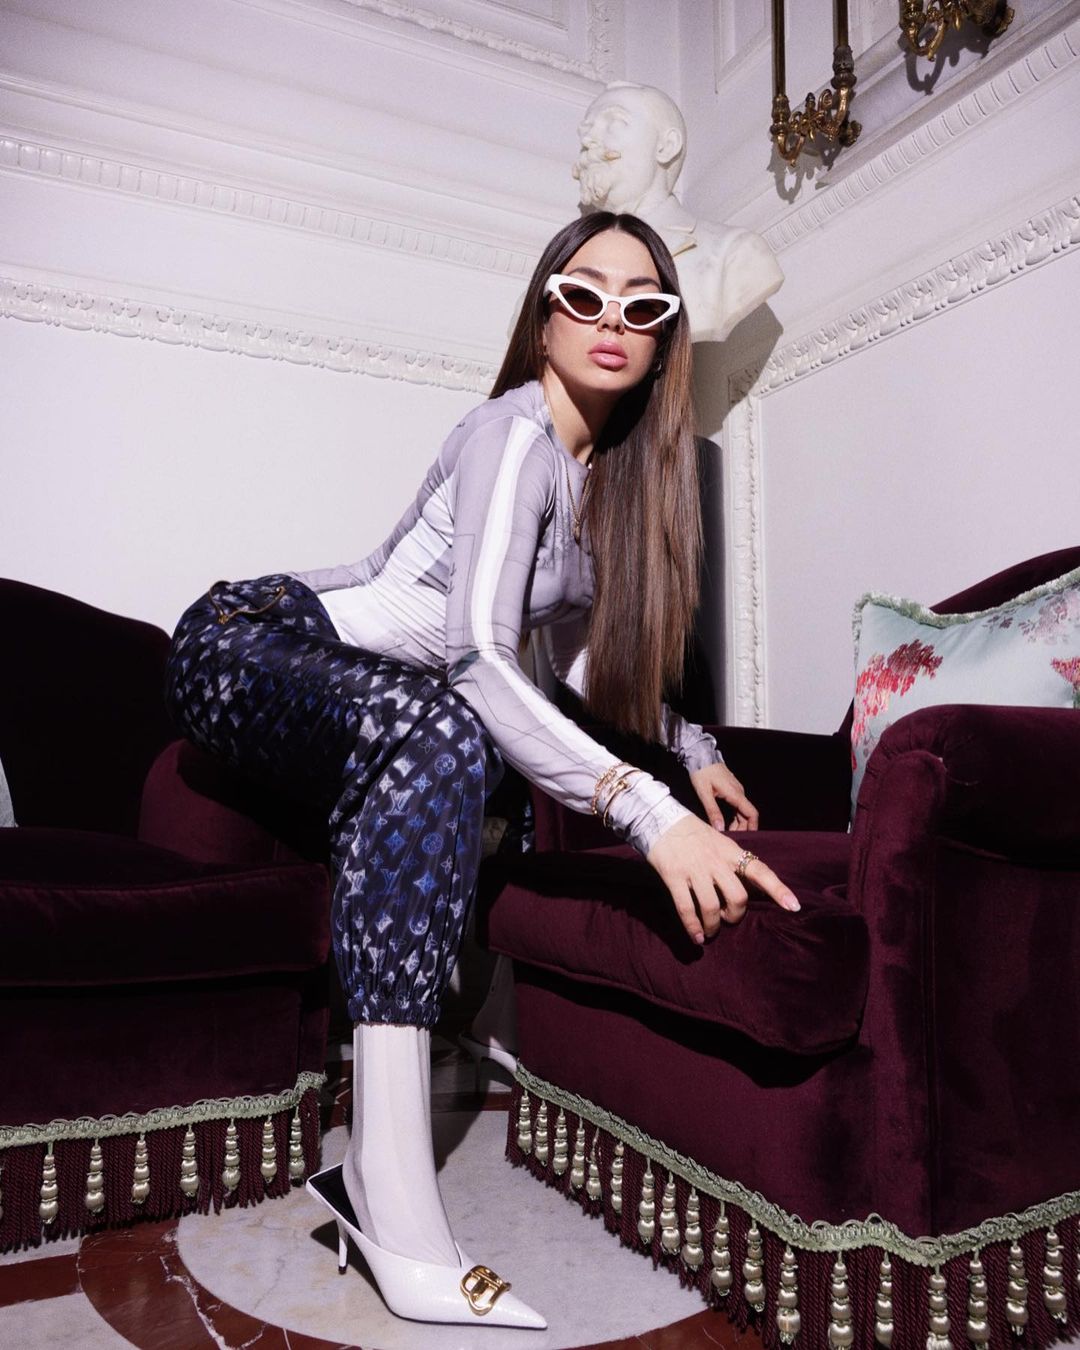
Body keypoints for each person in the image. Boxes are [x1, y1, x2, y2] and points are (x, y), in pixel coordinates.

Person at [163, 211, 798, 1331]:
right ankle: (393, 1200)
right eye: (583, 294)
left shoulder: (602, 490)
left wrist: (694, 753)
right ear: (544, 317)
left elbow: (591, 675)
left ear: (664, 338)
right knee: (452, 731)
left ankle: (370, 1181)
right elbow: (481, 662)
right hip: (246, 641)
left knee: (446, 744)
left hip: (383, 712)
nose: (610, 319)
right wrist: (648, 813)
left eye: (642, 304)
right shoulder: (510, 435)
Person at [574, 82, 784, 342]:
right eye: (586, 130)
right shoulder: (568, 267)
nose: (588, 141)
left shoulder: (733, 253)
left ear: (666, 146)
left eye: (614, 122)